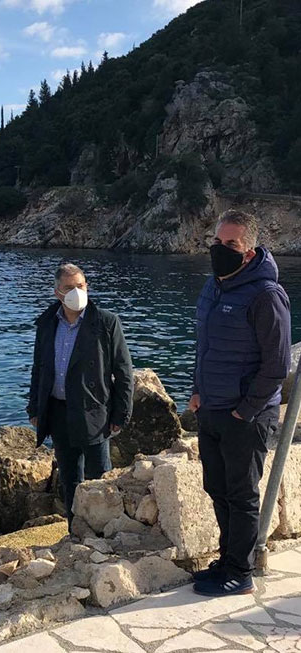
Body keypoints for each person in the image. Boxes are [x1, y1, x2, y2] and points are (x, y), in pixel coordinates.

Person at [189, 209, 291, 597]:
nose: (220, 249)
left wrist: (245, 410)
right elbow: (204, 347)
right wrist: (197, 391)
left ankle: (241, 572)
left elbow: (277, 365)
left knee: (242, 494)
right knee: (217, 488)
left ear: (248, 252)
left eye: (230, 243)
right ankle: (226, 560)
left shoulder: (267, 296)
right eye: (217, 241)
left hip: (246, 415)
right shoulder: (213, 287)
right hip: (211, 408)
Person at [27, 262, 134, 531]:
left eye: (80, 285)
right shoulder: (47, 323)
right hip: (58, 411)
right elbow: (39, 368)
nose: (76, 292)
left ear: (87, 287)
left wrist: (121, 414)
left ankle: (107, 534)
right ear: (57, 292)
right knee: (70, 478)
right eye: (69, 287)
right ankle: (75, 532)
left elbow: (123, 371)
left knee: (101, 480)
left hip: (94, 412)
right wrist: (35, 408)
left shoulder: (106, 322)